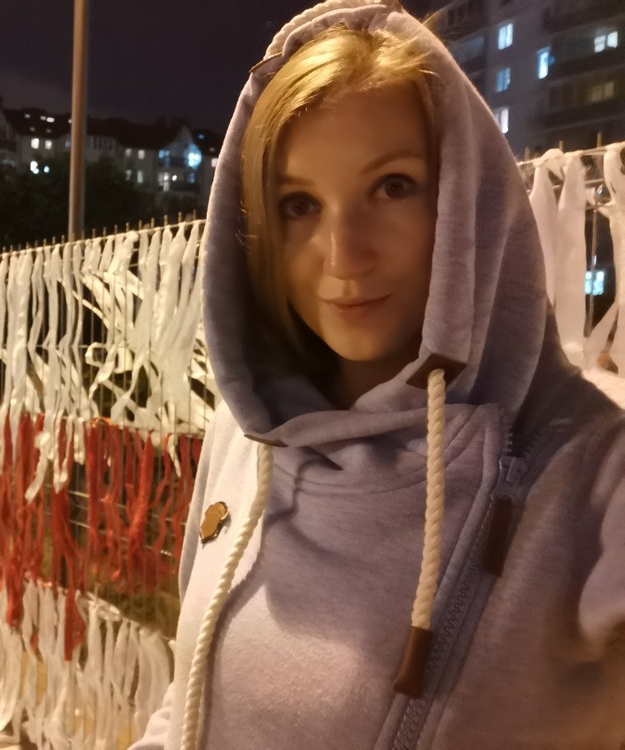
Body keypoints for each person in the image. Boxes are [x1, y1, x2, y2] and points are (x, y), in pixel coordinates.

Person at [131, 1, 625, 748]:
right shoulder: (245, 435)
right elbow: (192, 702)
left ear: (467, 200)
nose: (343, 255)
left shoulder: (592, 468)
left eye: (393, 186)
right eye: (299, 204)